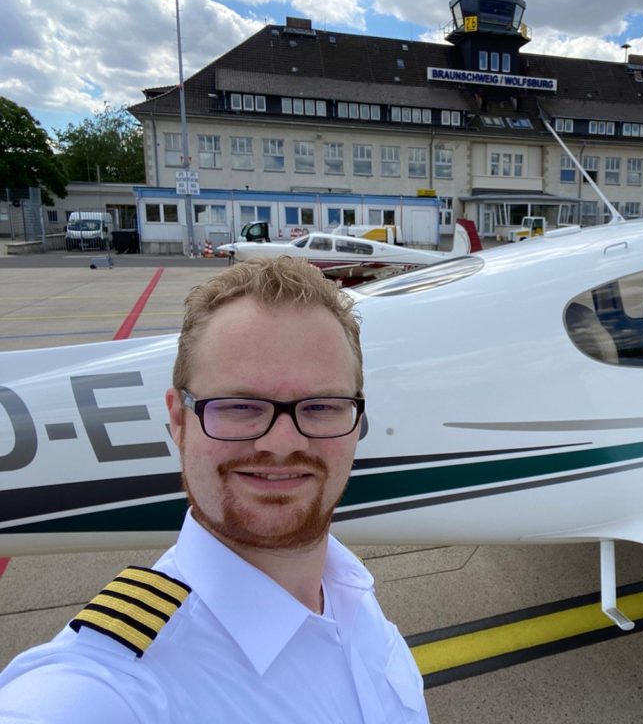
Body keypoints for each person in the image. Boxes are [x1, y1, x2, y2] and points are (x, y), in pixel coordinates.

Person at [0, 257, 429, 723]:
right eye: (240, 405)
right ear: (180, 421)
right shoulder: (107, 691)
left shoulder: (350, 592)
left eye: (322, 405)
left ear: (355, 421)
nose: (283, 443)